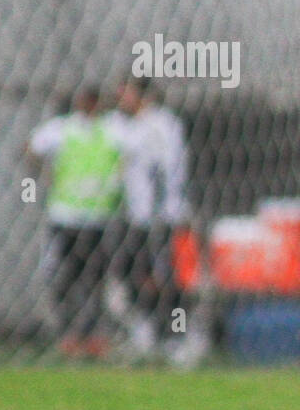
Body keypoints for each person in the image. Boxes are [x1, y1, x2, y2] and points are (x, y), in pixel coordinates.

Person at [28, 86, 125, 359]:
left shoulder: (113, 128)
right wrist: (44, 173)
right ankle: (69, 334)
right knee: (65, 277)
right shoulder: (62, 128)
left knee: (95, 279)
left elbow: (132, 152)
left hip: (99, 216)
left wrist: (120, 177)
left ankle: (93, 336)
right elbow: (30, 147)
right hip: (66, 215)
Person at [110, 78, 189, 359]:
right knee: (131, 275)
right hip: (136, 216)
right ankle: (147, 333)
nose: (121, 96)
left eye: (126, 91)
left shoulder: (162, 124)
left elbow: (166, 170)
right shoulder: (125, 125)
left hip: (161, 217)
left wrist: (160, 210)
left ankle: (177, 338)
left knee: (167, 278)